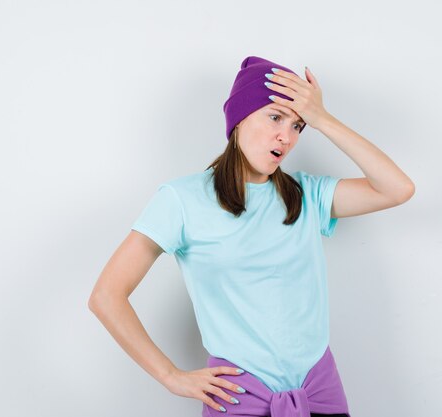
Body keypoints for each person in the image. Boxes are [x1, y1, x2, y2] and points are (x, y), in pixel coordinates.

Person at [88, 55, 415, 417]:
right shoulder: (181, 200)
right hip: (238, 396)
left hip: (319, 390)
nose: (286, 137)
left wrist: (324, 120)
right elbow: (107, 295)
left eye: (298, 126)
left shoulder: (307, 195)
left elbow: (397, 189)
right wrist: (170, 376)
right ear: (239, 119)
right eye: (275, 117)